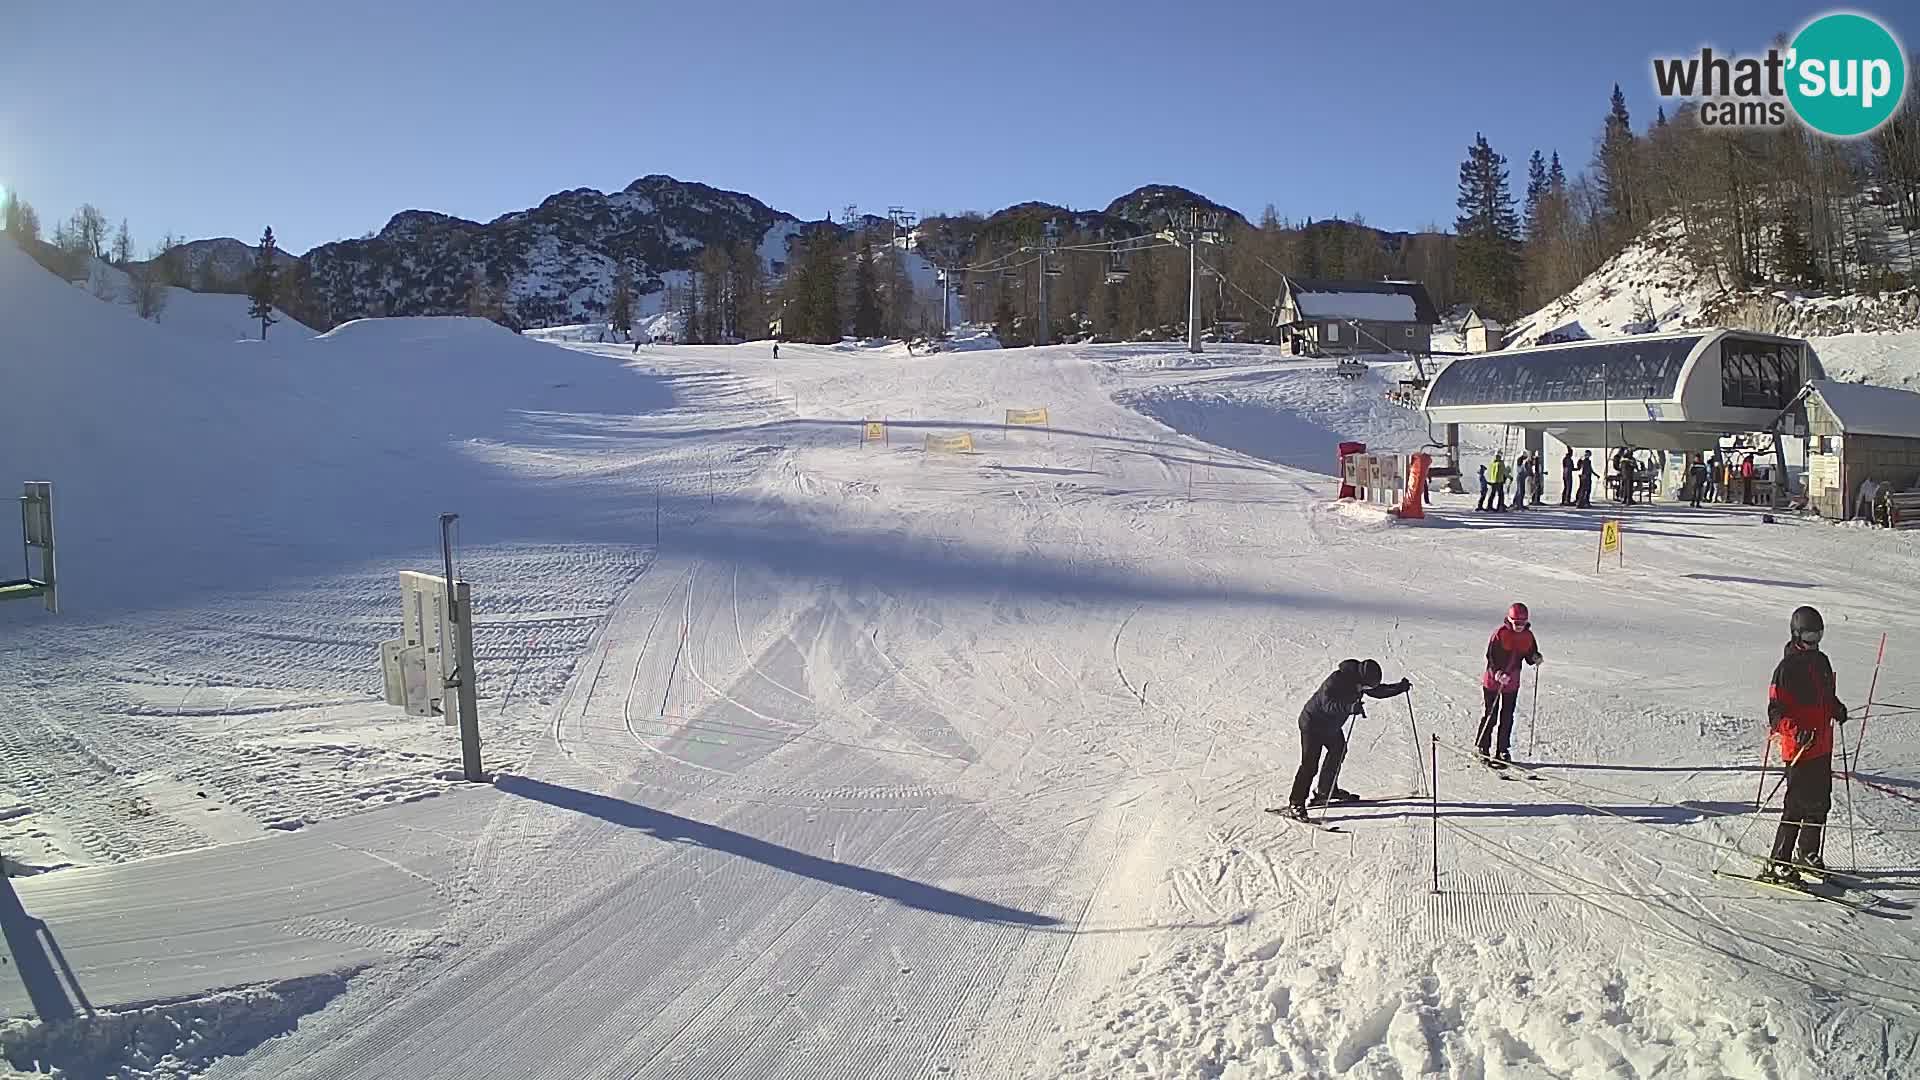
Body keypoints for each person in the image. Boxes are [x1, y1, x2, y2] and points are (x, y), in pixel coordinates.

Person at [1762, 606, 1849, 883]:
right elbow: (1775, 712)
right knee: (1796, 805)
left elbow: (1826, 697)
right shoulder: (1786, 669)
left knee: (1820, 802)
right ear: (1797, 633)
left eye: (1818, 634)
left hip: (1822, 745)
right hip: (1799, 746)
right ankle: (1779, 860)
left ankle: (1808, 853)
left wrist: (1836, 708)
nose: (1814, 640)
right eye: (1809, 634)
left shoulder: (1822, 662)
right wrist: (1795, 730)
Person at [1283, 659, 1413, 818]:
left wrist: (1399, 688)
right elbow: (1327, 704)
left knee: (1338, 750)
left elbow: (1377, 691)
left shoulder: (1360, 681)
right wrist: (1349, 707)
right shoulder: (1336, 680)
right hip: (1313, 724)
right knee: (1310, 764)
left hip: (1331, 727)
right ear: (1360, 678)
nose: (1365, 689)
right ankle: (1295, 802)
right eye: (1365, 686)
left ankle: (1325, 791)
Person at [1477, 603, 1542, 764]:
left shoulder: (1528, 636)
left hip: (1512, 683)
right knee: (1491, 715)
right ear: (1509, 620)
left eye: (1522, 623)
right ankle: (1483, 747)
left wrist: (1535, 657)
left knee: (1507, 717)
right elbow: (1491, 657)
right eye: (1516, 623)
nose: (1519, 627)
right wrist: (1498, 673)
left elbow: (1529, 655)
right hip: (1493, 683)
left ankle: (1502, 750)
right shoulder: (1500, 634)